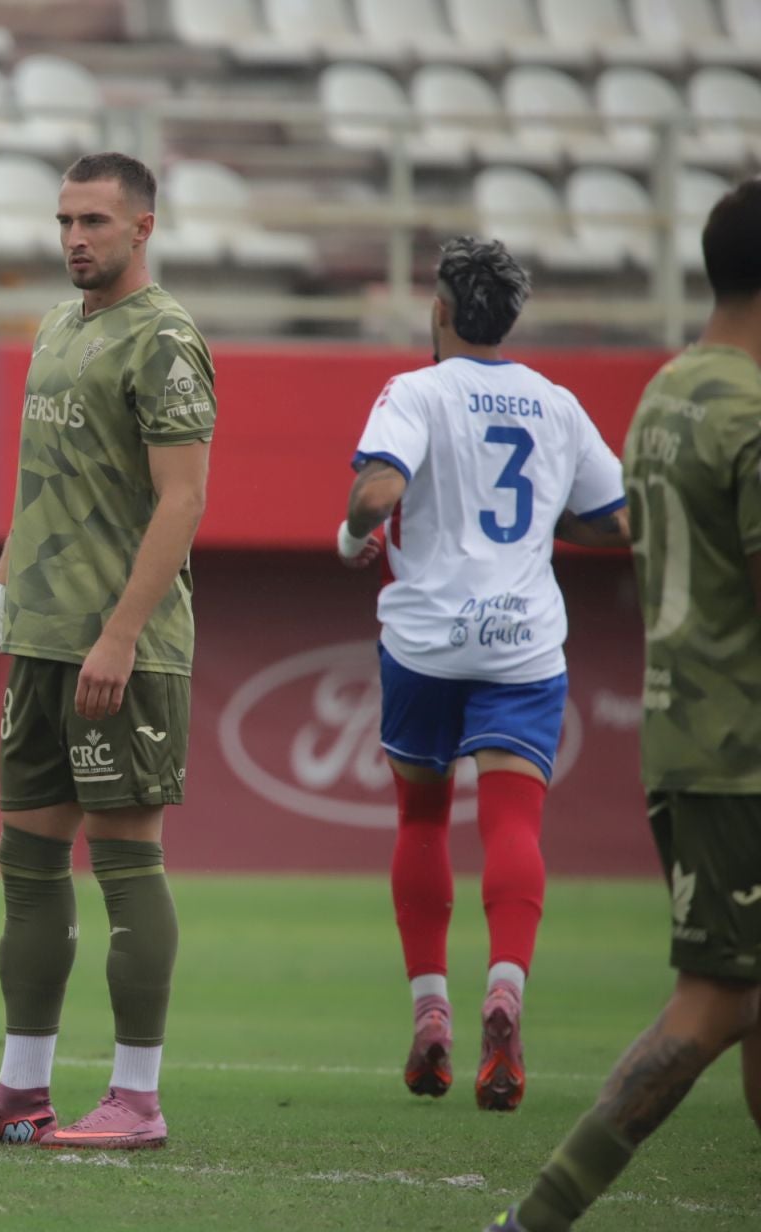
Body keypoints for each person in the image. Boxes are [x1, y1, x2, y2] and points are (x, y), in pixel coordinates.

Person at [0, 151, 213, 1151]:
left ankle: (136, 1096)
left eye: (95, 220)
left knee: (128, 864)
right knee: (28, 867)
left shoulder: (166, 339)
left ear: (143, 228)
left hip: (122, 648)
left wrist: (120, 632)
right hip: (40, 645)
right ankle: (23, 1088)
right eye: (64, 220)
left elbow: (183, 498)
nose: (76, 237)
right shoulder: (54, 324)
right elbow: (41, 499)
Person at [481, 183, 761, 1230]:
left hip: (683, 733)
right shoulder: (750, 414)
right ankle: (536, 1217)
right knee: (716, 999)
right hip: (744, 750)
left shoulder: (666, 393)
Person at [338, 238, 629, 1114]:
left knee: (423, 816)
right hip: (522, 644)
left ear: (439, 311)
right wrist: (539, 532)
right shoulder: (556, 403)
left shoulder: (414, 392)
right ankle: (506, 990)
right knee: (513, 820)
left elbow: (378, 490)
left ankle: (432, 1009)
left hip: (426, 641)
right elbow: (616, 524)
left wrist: (357, 530)